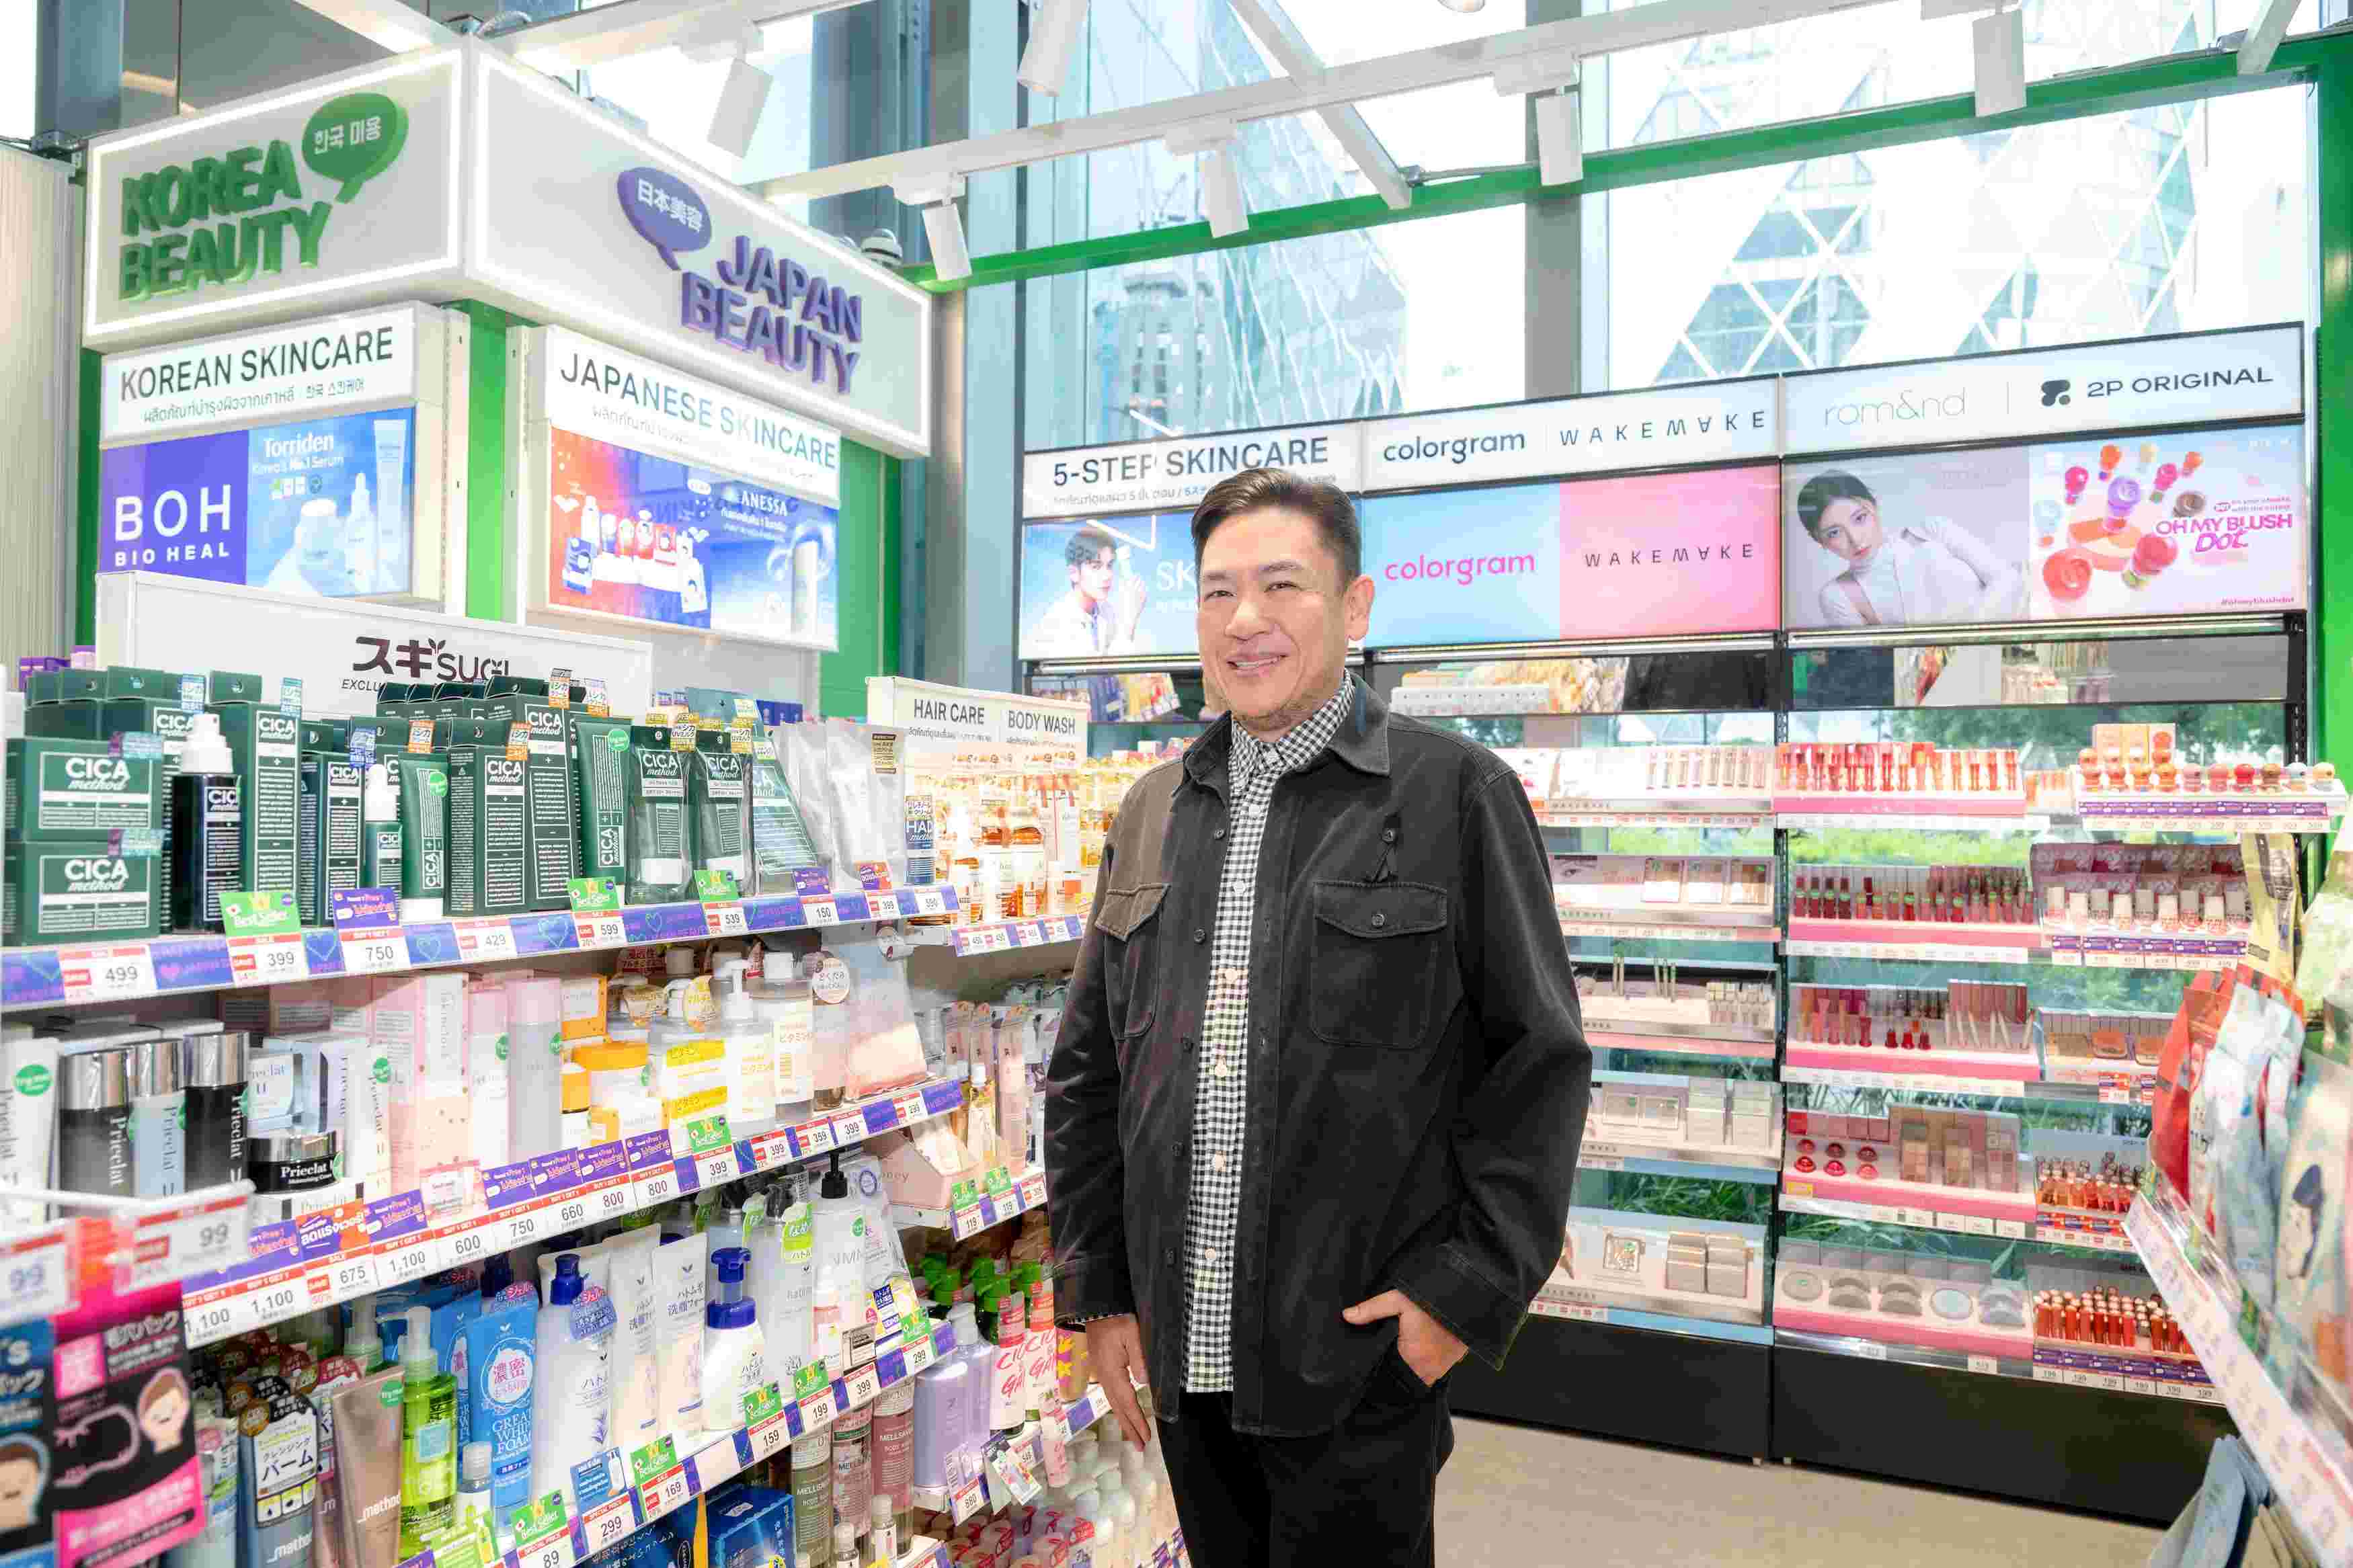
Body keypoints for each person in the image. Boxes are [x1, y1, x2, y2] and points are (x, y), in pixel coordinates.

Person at [1043, 466, 1591, 1568]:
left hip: (1355, 1363)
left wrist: (1462, 1295)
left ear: (1355, 606)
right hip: (1185, 1356)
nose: (1245, 618)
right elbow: (1090, 1069)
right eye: (1217, 592)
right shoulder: (1151, 810)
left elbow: (1538, 1061)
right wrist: (1099, 1290)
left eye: (1281, 585)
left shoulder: (1454, 795)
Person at [1795, 470, 2025, 628]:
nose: (1855, 540)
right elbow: (1873, 665)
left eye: (1859, 518)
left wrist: (1967, 641)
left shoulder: (1933, 530)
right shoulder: (1838, 595)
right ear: (1819, 541)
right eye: (1834, 533)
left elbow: (2007, 578)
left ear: (1874, 505)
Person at [1031, 526, 1148, 657]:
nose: (1108, 575)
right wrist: (1129, 620)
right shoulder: (1056, 622)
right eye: (1096, 567)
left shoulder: (1106, 612)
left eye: (1109, 565)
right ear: (1074, 572)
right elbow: (1106, 667)